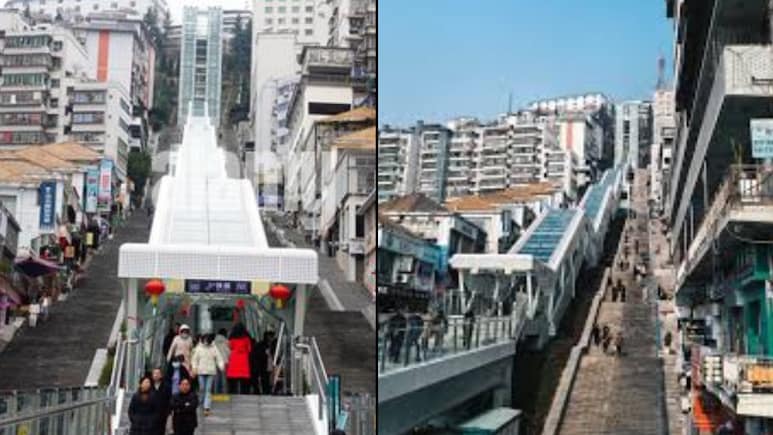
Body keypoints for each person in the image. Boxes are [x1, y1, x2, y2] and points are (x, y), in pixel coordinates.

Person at [191, 333, 224, 415]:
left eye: (207, 339)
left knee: (208, 389)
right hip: (201, 371)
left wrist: (221, 366)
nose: (206, 341)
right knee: (202, 388)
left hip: (210, 371)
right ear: (202, 339)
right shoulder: (199, 348)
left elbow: (219, 358)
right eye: (205, 339)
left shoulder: (214, 348)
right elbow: (194, 359)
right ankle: (201, 401)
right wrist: (194, 368)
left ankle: (206, 407)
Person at [226, 323, 252, 394]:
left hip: (234, 360)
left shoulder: (232, 339)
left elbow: (230, 347)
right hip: (244, 360)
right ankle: (244, 393)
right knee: (244, 380)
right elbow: (249, 349)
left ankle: (232, 393)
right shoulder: (246, 339)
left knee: (232, 380)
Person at [150, 368, 171, 435]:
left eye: (158, 373)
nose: (156, 375)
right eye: (154, 373)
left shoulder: (166, 386)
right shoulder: (149, 386)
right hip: (150, 415)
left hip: (162, 415)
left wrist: (167, 412)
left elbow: (169, 400)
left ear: (161, 375)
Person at [213, 328, 230, 393]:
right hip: (224, 361)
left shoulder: (214, 342)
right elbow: (229, 352)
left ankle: (216, 393)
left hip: (216, 362)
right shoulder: (226, 342)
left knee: (216, 379)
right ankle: (224, 393)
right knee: (224, 379)